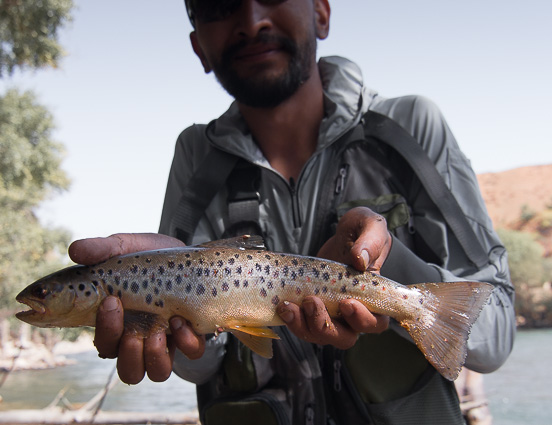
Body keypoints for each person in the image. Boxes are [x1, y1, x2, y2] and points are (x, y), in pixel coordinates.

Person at [69, 1, 516, 424]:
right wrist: (183, 323)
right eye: (219, 6)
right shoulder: (195, 154)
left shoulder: (411, 126)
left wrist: (384, 263)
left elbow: (492, 336)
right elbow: (197, 369)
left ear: (321, 11)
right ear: (198, 47)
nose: (250, 19)